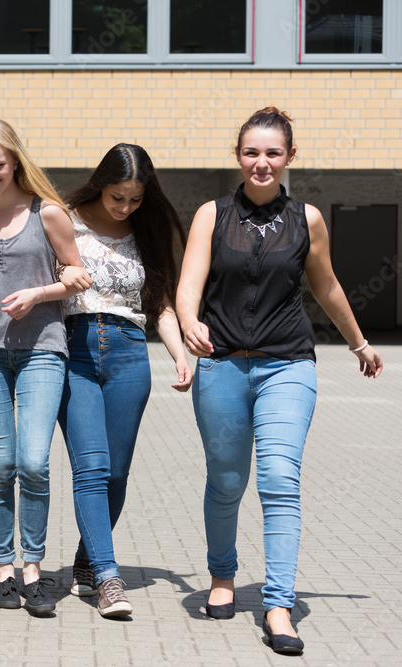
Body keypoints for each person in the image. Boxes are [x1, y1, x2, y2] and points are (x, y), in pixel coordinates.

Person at [175, 107, 383, 655]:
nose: (261, 162)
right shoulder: (211, 215)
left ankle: (278, 605)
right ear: (238, 156)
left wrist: (359, 343)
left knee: (278, 479)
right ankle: (222, 577)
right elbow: (188, 282)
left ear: (290, 156)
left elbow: (328, 286)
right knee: (225, 480)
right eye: (251, 152)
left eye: (272, 153)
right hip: (221, 365)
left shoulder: (308, 219)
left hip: (288, 364)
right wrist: (191, 320)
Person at [0, 119, 91, 617]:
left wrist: (40, 293)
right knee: (0, 463)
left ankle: (34, 567)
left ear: (15, 162)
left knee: (34, 461)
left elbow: (79, 274)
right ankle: (4, 570)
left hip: (43, 347)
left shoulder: (47, 213)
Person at [58, 144, 191, 618]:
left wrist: (179, 353)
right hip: (73, 349)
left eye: (135, 199)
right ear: (101, 184)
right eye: (118, 197)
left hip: (130, 354)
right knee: (90, 467)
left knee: (115, 472)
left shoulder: (147, 229)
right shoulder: (63, 217)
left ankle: (86, 560)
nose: (125, 207)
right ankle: (109, 578)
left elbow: (162, 303)